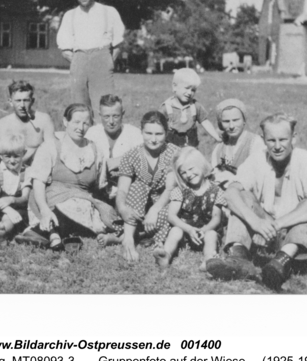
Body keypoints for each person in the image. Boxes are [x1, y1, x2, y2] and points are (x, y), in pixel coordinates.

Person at [206, 113, 307, 290]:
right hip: (264, 227)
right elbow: (230, 193)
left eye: (283, 140)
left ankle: (280, 263)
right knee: (241, 195)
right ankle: (239, 259)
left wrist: (279, 224)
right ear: (264, 139)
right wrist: (255, 222)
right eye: (271, 140)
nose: (278, 146)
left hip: (294, 232)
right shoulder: (257, 159)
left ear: (294, 138)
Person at [26, 103, 120, 250]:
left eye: (85, 123)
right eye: (76, 122)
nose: (80, 128)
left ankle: (48, 233)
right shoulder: (51, 146)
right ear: (65, 122)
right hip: (51, 198)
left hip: (82, 199)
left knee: (102, 220)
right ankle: (49, 229)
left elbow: (101, 186)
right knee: (69, 208)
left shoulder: (95, 150)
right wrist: (44, 209)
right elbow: (38, 183)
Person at [115, 111, 180, 262]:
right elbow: (123, 189)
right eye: (148, 133)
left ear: (166, 132)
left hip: (163, 203)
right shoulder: (131, 155)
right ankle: (129, 240)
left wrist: (154, 210)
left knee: (172, 210)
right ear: (141, 132)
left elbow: (170, 189)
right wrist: (122, 208)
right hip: (138, 205)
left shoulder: (174, 153)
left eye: (159, 134)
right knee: (138, 186)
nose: (153, 139)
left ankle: (156, 241)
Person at [56, 0, 125, 114]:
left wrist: (107, 62)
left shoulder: (109, 12)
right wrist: (78, 61)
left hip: (102, 62)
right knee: (80, 110)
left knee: (106, 108)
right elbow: (65, 49)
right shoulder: (70, 15)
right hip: (79, 63)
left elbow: (118, 45)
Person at [153, 147, 226, 270]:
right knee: (175, 231)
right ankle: (166, 254)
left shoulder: (216, 190)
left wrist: (203, 230)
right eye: (184, 172)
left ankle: (209, 260)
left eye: (191, 169)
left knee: (212, 235)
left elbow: (216, 217)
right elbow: (171, 216)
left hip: (206, 231)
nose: (189, 175)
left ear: (202, 165)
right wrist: (189, 229)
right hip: (186, 234)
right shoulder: (180, 191)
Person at [85, 94, 143, 202]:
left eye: (115, 116)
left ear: (123, 114)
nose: (111, 122)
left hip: (127, 193)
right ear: (99, 115)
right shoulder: (92, 133)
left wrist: (118, 162)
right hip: (97, 193)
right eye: (106, 116)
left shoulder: (134, 133)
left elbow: (145, 157)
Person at [0, 134, 32, 244]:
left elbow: (25, 197)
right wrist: (9, 210)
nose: (12, 160)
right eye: (7, 156)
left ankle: (3, 230)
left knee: (12, 218)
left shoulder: (27, 172)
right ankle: (1, 230)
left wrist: (12, 200)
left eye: (16, 156)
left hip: (21, 210)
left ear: (24, 153)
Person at [0, 80, 55, 167]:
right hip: (13, 167)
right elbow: (4, 154)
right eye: (18, 100)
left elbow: (52, 149)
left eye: (26, 100)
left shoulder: (44, 119)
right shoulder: (3, 123)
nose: (22, 105)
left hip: (38, 167)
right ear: (10, 102)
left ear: (32, 101)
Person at [159, 68, 221, 148]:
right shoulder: (166, 108)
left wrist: (216, 137)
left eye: (193, 90)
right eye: (187, 88)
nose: (189, 93)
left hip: (191, 149)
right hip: (170, 149)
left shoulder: (195, 106)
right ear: (175, 86)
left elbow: (205, 122)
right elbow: (156, 126)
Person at [211, 98, 265, 187]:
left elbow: (259, 176)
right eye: (226, 121)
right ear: (220, 124)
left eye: (236, 120)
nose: (231, 126)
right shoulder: (219, 147)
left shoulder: (255, 143)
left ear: (244, 121)